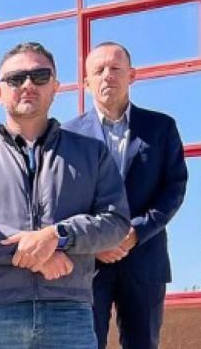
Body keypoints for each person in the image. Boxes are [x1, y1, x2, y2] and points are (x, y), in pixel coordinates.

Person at [0, 42, 131, 349]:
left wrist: (58, 236)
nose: (28, 84)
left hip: (71, 312)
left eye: (40, 76)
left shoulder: (91, 153)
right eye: (16, 78)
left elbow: (116, 222)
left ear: (55, 86)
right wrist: (37, 252)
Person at [62, 42, 188, 349]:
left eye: (115, 68)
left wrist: (136, 232)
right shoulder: (68, 136)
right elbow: (61, 198)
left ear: (131, 75)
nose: (107, 76)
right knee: (85, 344)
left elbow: (174, 187)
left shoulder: (160, 127)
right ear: (86, 81)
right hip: (89, 264)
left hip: (145, 259)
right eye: (98, 70)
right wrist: (97, 241)